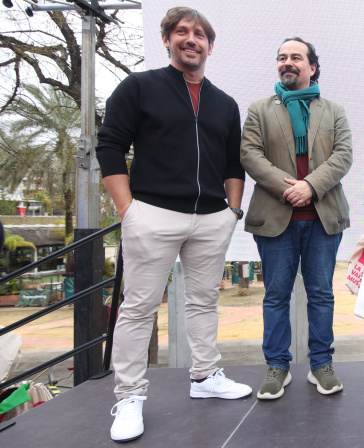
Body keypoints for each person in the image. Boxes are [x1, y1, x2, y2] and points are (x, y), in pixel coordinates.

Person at [96, 7, 252, 443]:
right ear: (167, 40)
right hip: (152, 214)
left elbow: (232, 162)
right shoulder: (140, 87)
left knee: (203, 302)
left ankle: (204, 378)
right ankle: (128, 396)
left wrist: (232, 211)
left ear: (210, 46)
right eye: (182, 32)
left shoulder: (224, 103)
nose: (191, 39)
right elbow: (109, 146)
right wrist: (128, 209)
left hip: (211, 219)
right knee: (139, 308)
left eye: (199, 34)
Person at [240, 37, 352, 401]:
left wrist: (310, 187)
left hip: (323, 217)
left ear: (312, 67)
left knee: (321, 295)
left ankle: (321, 364)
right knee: (276, 296)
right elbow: (250, 154)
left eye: (296, 57)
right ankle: (277, 367)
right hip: (276, 217)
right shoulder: (260, 109)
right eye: (282, 57)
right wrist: (289, 188)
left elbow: (343, 155)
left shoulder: (333, 110)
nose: (287, 63)